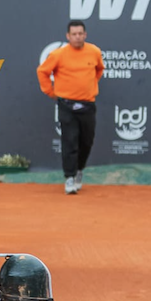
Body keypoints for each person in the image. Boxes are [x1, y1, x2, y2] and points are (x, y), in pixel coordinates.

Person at [36, 19, 104, 194]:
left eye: (80, 33)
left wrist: (90, 85)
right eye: (74, 34)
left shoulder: (94, 51)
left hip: (88, 104)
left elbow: (99, 70)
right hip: (67, 105)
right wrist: (51, 92)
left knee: (87, 142)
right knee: (69, 141)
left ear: (85, 34)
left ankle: (79, 170)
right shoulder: (58, 54)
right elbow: (42, 71)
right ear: (68, 36)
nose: (77, 37)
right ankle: (69, 177)